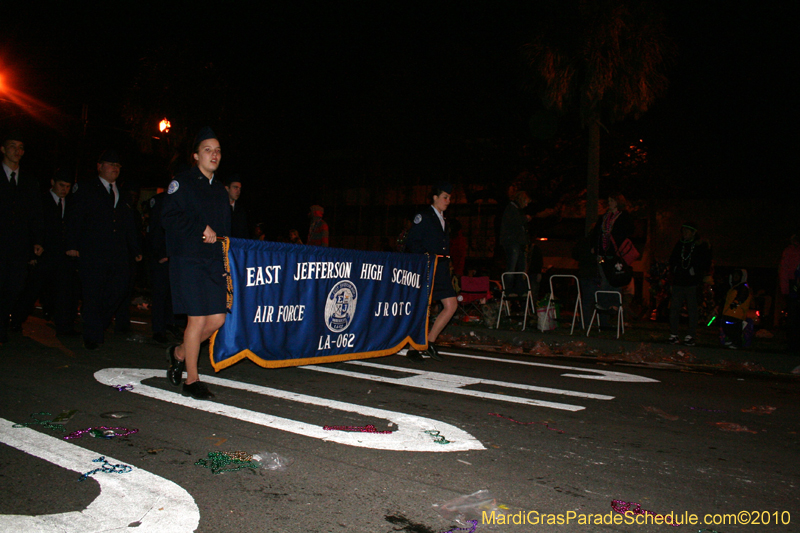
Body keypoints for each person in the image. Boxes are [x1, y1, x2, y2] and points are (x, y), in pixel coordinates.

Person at [161, 127, 230, 400]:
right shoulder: (182, 183)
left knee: (217, 319)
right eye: (207, 150)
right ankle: (192, 380)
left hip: (213, 263)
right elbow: (169, 217)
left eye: (218, 150)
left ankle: (178, 353)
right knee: (197, 319)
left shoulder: (220, 191)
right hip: (189, 260)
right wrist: (201, 228)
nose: (214, 155)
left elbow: (225, 231)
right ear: (196, 155)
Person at [66, 150, 142, 349]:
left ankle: (97, 321)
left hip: (117, 253)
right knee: (92, 293)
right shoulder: (85, 188)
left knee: (119, 289)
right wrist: (72, 245)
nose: (115, 168)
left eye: (118, 166)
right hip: (92, 250)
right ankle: (92, 335)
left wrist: (135, 249)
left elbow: (129, 224)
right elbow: (74, 218)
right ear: (99, 166)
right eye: (110, 165)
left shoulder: (123, 194)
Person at [12, 169, 79, 336]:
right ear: (52, 183)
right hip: (44, 254)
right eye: (61, 185)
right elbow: (31, 225)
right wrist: (32, 254)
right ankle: (16, 321)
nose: (64, 190)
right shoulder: (41, 200)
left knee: (64, 292)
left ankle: (64, 327)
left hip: (62, 256)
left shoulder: (71, 203)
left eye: (68, 187)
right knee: (32, 290)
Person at [405, 183, 457, 363]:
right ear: (434, 198)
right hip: (428, 266)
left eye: (449, 198)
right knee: (423, 308)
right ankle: (413, 348)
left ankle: (429, 341)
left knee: (451, 305)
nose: (448, 201)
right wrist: (428, 258)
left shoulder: (443, 219)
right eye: (445, 197)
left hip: (441, 267)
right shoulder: (424, 216)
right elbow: (412, 242)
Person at [0, 132, 44, 343]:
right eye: (12, 146)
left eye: (20, 148)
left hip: (18, 246)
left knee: (15, 287)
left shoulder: (29, 182)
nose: (16, 151)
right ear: (3, 149)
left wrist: (37, 240)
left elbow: (35, 214)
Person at [588, 194, 634, 329]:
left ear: (618, 202)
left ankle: (614, 305)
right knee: (604, 281)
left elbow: (629, 231)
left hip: (615, 255)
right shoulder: (604, 217)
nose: (609, 203)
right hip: (603, 255)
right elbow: (596, 233)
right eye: (608, 200)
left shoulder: (623, 217)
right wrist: (595, 248)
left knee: (615, 280)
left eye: (612, 200)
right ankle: (604, 310)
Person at [667, 222, 712, 346]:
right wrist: (674, 272)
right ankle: (673, 334)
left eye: (688, 231)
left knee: (692, 309)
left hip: (692, 283)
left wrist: (696, 273)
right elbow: (672, 260)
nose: (685, 233)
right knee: (675, 308)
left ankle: (691, 335)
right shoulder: (680, 244)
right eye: (684, 231)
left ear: (693, 233)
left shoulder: (699, 245)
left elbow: (705, 261)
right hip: (678, 282)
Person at [499, 191, 531, 296]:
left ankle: (519, 290)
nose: (526, 205)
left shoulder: (516, 210)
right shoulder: (512, 209)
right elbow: (516, 223)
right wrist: (525, 219)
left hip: (518, 243)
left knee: (520, 267)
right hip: (513, 242)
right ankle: (508, 290)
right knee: (512, 266)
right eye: (526, 202)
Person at [720, 269, 752, 349]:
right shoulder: (733, 288)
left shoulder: (743, 288)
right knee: (727, 327)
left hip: (737, 313)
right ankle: (732, 340)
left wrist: (736, 302)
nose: (735, 277)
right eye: (734, 276)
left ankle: (737, 342)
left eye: (737, 276)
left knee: (735, 328)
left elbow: (742, 296)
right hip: (729, 312)